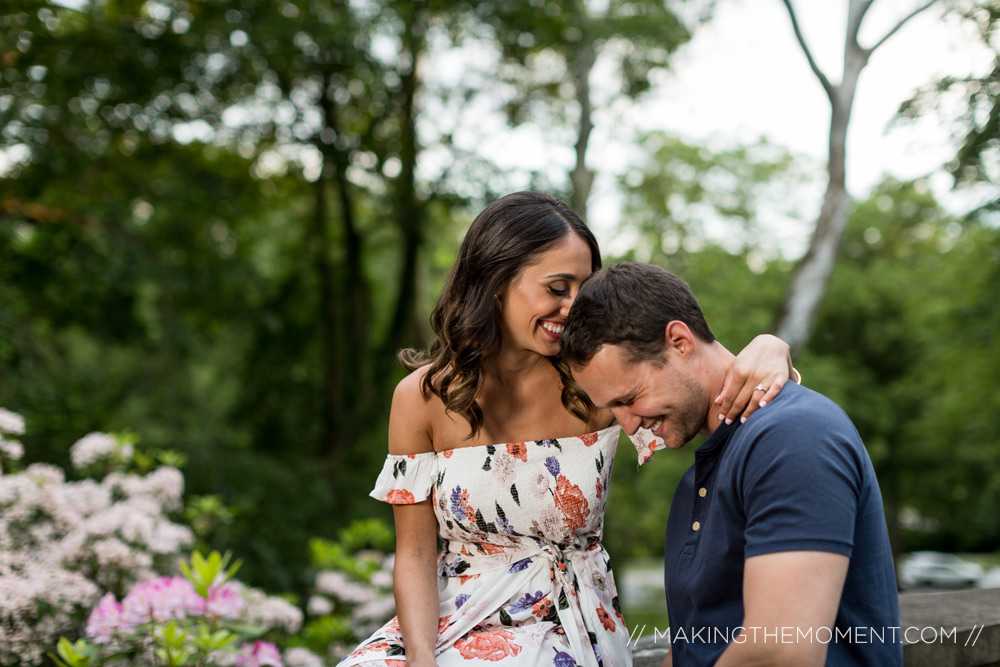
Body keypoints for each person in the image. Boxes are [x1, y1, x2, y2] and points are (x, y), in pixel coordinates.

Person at [338, 192, 795, 667]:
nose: (574, 306)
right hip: (450, 621)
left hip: (567, 621)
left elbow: (708, 396)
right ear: (494, 281)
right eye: (558, 287)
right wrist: (420, 659)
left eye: (583, 287)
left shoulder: (594, 387)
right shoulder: (421, 397)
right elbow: (413, 555)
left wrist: (769, 350)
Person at [560, 262, 902, 667]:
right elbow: (696, 647)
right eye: (612, 408)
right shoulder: (698, 480)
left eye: (629, 398)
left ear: (680, 342)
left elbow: (781, 650)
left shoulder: (792, 435)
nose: (629, 424)